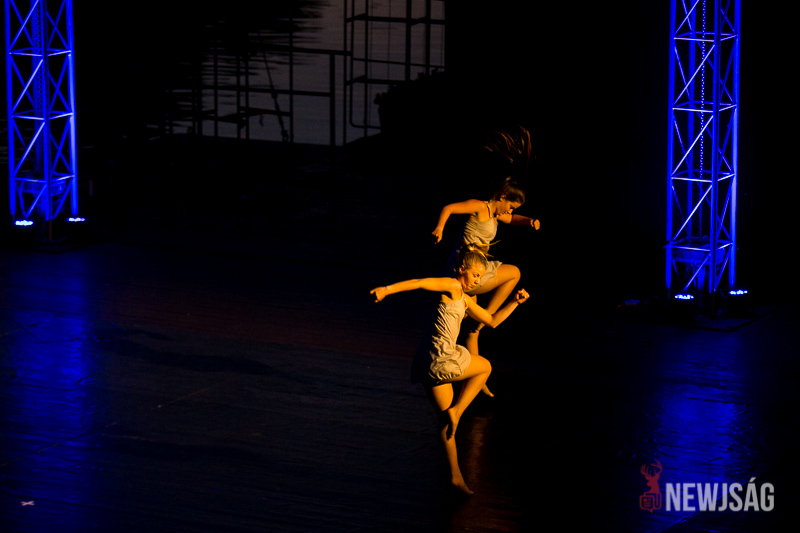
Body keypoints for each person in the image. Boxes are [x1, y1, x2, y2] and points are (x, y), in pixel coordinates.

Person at [370, 247, 529, 494]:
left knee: (446, 422)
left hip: (428, 361)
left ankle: (455, 476)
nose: (477, 282)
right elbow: (420, 283)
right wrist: (386, 289)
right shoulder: (452, 285)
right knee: (485, 367)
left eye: (480, 278)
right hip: (442, 357)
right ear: (461, 270)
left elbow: (491, 321)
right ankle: (458, 410)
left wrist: (515, 303)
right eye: (474, 275)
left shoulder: (465, 298)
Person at [431, 178, 539, 356]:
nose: (509, 211)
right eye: (510, 206)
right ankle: (487, 315)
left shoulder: (496, 215)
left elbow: (512, 219)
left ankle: (478, 371)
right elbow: (448, 208)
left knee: (471, 331)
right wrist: (440, 228)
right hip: (464, 269)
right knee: (514, 273)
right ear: (502, 197)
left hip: (476, 269)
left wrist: (529, 221)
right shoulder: (480, 207)